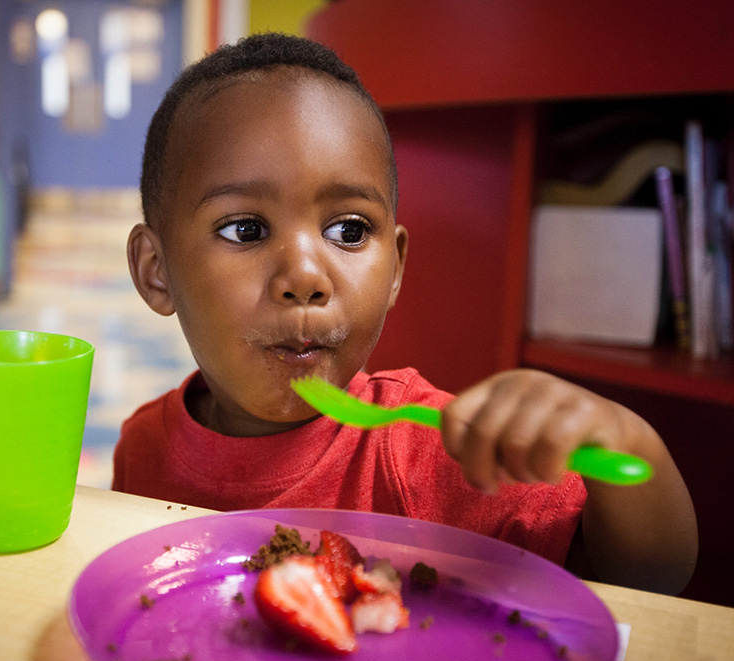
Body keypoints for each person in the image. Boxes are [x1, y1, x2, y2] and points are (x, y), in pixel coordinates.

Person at [114, 33, 697, 595]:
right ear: (155, 270)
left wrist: (623, 439)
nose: (305, 278)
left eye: (348, 230)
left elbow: (647, 578)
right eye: (246, 229)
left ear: (394, 269)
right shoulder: (142, 445)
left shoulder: (427, 454)